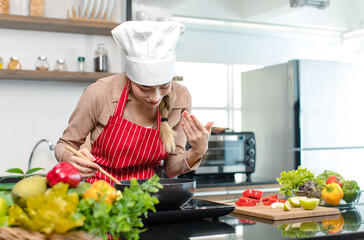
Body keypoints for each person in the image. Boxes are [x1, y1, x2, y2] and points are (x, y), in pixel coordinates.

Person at [54, 21, 214, 184]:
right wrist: (71, 159)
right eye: (145, 88)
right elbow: (64, 145)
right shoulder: (100, 93)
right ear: (130, 78)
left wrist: (198, 151)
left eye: (164, 86)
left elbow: (172, 168)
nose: (155, 97)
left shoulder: (181, 97)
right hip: (101, 195)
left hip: (149, 198)